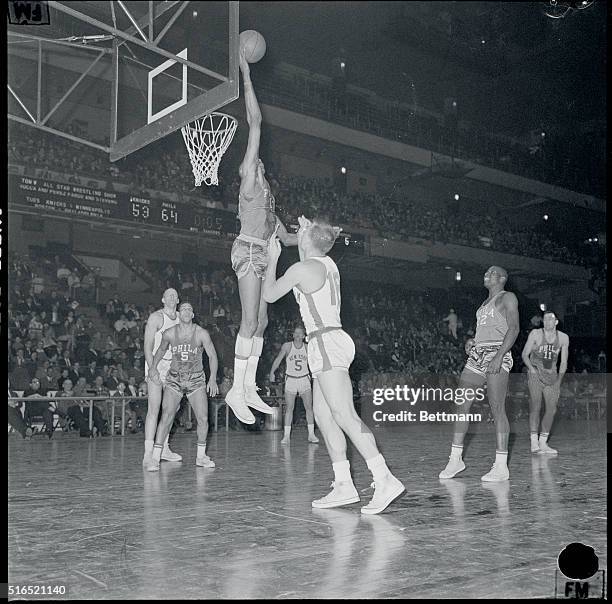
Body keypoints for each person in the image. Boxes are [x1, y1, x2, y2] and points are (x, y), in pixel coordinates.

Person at [263, 214, 405, 514]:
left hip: (326, 342)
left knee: (344, 415)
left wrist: (273, 257)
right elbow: (308, 248)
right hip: (327, 341)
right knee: (324, 417)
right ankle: (344, 484)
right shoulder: (324, 263)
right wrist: (307, 232)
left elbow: (270, 293)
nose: (298, 234)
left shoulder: (303, 268)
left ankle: (384, 477)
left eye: (302, 233)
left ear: (309, 240)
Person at [224, 49, 298, 425]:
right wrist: (245, 74)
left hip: (264, 253)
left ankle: (248, 386)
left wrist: (320, 235)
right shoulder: (250, 181)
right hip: (248, 252)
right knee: (250, 322)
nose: (254, 161)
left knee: (264, 324)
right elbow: (255, 124)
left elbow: (288, 239)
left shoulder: (269, 200)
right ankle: (237, 391)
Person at [439, 266, 520, 482]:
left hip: (497, 353)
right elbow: (486, 330)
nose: (486, 274)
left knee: (497, 409)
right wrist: (472, 341)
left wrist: (499, 356)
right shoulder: (483, 305)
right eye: (485, 272)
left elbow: (513, 329)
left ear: (502, 278)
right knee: (461, 405)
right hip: (478, 354)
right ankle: (456, 459)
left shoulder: (508, 297)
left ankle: (501, 466)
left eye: (492, 273)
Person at [145, 302, 219, 472]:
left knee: (203, 418)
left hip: (196, 380)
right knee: (166, 416)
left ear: (193, 315)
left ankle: (201, 456)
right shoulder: (169, 333)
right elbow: (160, 351)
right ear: (179, 314)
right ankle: (155, 458)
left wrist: (213, 378)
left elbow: (213, 356)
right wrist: (153, 367)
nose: (186, 311)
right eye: (183, 308)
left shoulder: (201, 333)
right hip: (175, 379)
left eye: (189, 309)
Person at [142, 288, 181, 467]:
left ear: (178, 300)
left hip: (174, 367)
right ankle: (148, 454)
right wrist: (152, 369)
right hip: (156, 364)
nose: (172, 297)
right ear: (163, 299)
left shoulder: (183, 318)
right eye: (169, 295)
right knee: (154, 407)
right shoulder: (156, 318)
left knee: (172, 409)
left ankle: (164, 447)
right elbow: (147, 346)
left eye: (175, 295)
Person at [521, 311, 569, 455]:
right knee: (536, 406)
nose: (548, 321)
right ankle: (534, 442)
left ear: (556, 322)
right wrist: (531, 369)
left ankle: (543, 442)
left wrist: (559, 381)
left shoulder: (563, 338)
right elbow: (524, 354)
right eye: (545, 319)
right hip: (535, 373)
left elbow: (564, 362)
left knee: (552, 410)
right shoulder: (536, 334)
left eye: (551, 319)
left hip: (551, 375)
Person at [269, 325, 319, 444]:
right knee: (289, 408)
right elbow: (278, 359)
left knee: (308, 408)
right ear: (293, 335)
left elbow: (316, 362)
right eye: (295, 333)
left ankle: (311, 435)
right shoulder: (287, 346)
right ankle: (286, 436)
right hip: (291, 379)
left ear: (303, 336)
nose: (297, 335)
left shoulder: (307, 347)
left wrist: (317, 376)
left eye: (299, 333)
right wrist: (272, 372)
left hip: (304, 379)